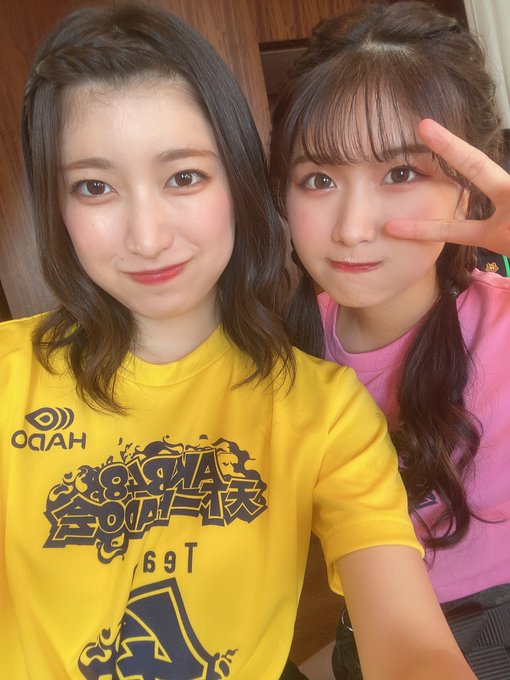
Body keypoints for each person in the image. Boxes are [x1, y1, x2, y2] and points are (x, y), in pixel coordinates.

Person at [0, 3, 477, 679]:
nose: (147, 237)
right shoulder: (9, 375)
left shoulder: (326, 410)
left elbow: (408, 644)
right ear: (58, 207)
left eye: (184, 177)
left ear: (240, 182)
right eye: (95, 187)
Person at [269, 2, 510, 678]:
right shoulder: (281, 352)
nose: (352, 228)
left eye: (401, 174)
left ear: (468, 191)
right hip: (369, 619)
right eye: (319, 180)